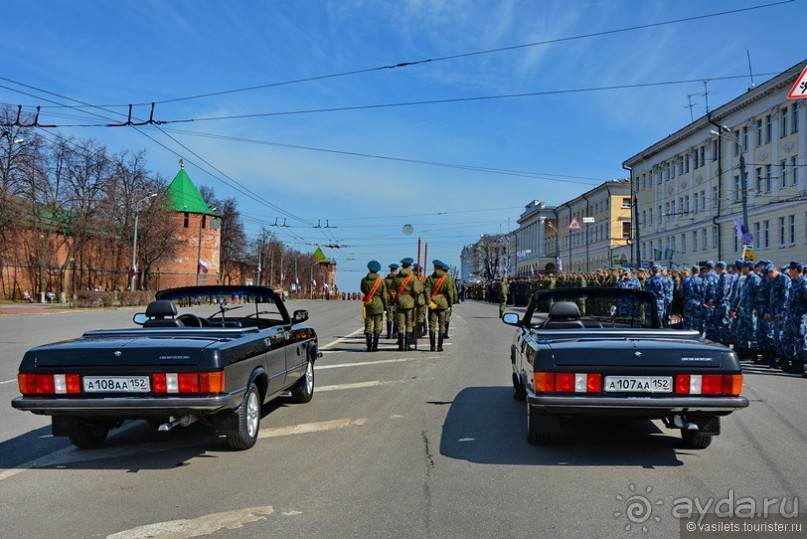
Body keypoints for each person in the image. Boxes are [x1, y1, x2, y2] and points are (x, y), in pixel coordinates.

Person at [391, 258, 424, 351]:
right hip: (410, 303)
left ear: (402, 266)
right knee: (409, 324)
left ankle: (401, 346)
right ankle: (407, 345)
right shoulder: (413, 277)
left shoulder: (397, 277)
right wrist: (420, 287)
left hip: (400, 303)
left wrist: (396, 298)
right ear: (409, 266)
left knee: (401, 324)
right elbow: (417, 291)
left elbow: (392, 290)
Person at [424, 260, 456, 352]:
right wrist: (450, 304)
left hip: (433, 304)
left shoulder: (430, 278)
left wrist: (428, 302)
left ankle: (432, 347)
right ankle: (440, 347)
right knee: (442, 325)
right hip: (443, 304)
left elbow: (426, 291)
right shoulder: (447, 279)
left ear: (435, 268)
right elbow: (450, 293)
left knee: (432, 325)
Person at [360, 260, 388, 352]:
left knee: (368, 326)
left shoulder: (364, 280)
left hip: (368, 303)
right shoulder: (381, 281)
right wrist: (386, 307)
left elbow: (363, 290)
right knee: (377, 326)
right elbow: (384, 295)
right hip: (379, 304)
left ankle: (369, 347)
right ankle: (375, 346)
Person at [384, 263, 399, 339]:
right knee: (396, 317)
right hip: (397, 299)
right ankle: (395, 333)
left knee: (389, 316)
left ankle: (389, 334)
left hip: (389, 299)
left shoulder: (386, 280)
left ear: (390, 270)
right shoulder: (399, 280)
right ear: (396, 270)